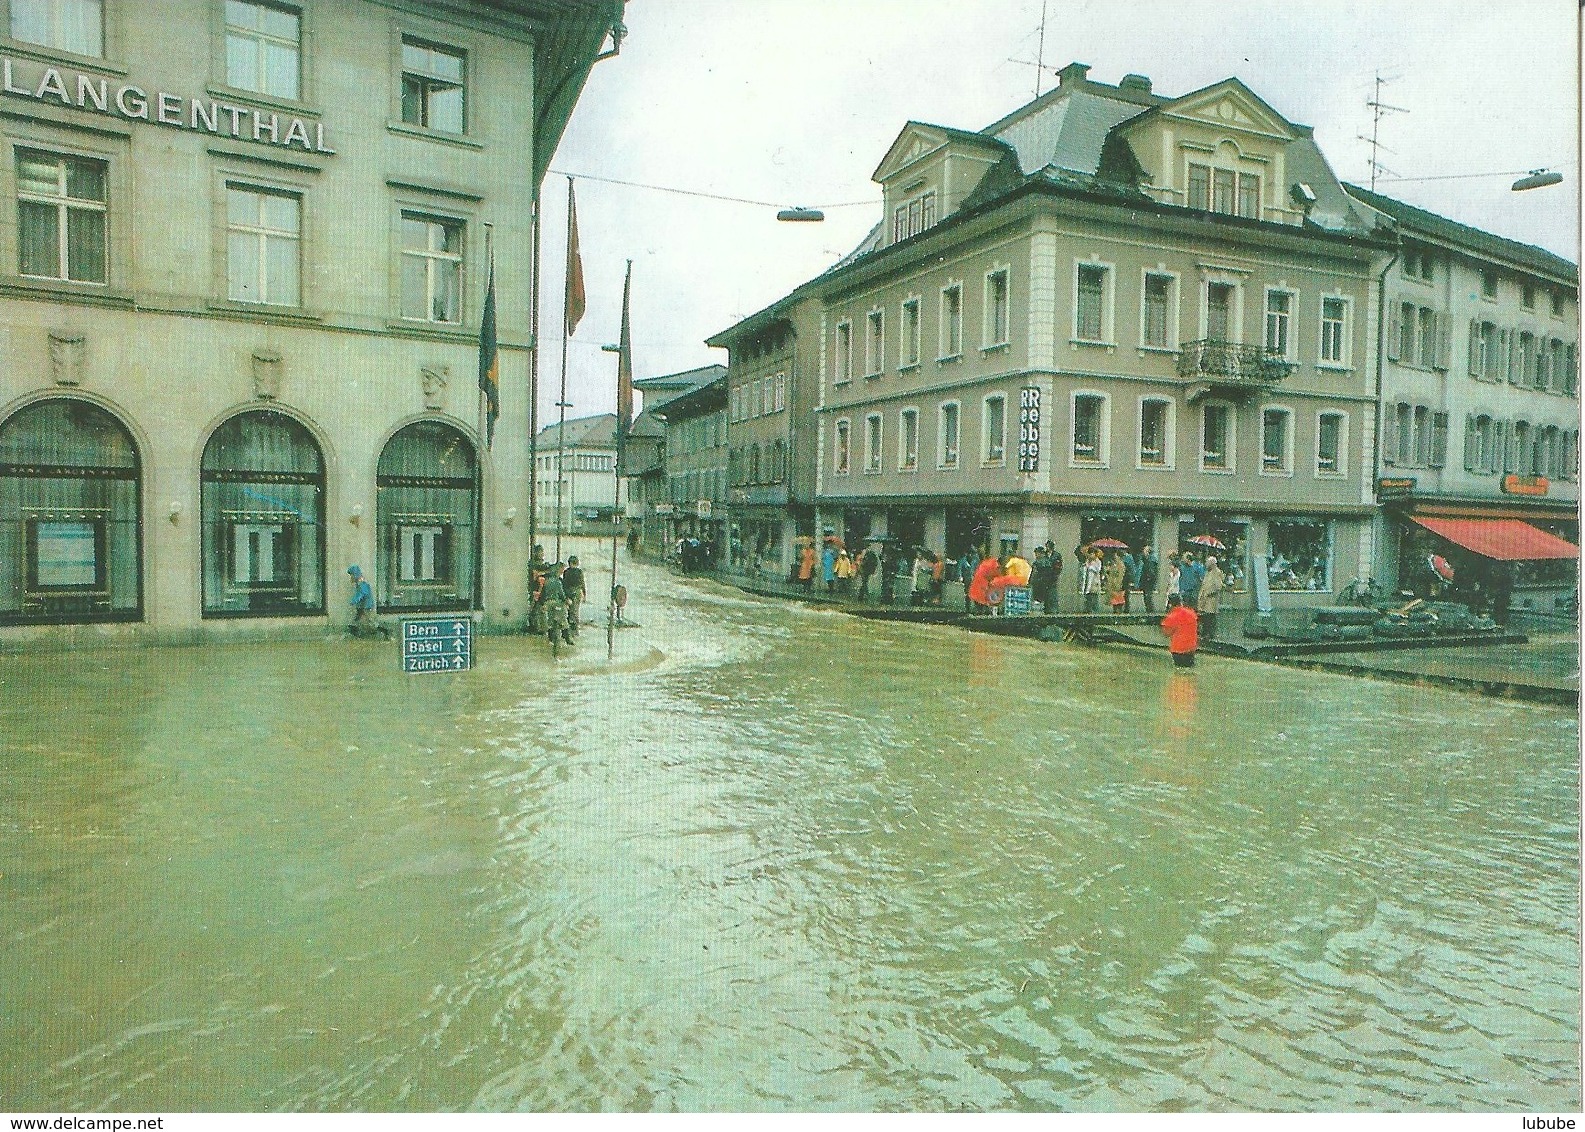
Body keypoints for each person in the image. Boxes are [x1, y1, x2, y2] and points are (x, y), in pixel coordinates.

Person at [346, 564, 387, 638]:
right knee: (357, 620)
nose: (351, 577)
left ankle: (384, 632)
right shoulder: (359, 583)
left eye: (351, 575)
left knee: (370, 621)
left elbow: (362, 593)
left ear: (355, 575)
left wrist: (354, 600)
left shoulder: (362, 584)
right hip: (362, 606)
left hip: (366, 606)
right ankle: (354, 632)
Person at [1160, 593, 1199, 668]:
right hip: (1190, 647)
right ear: (1181, 602)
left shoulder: (1171, 617)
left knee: (1179, 672)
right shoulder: (1191, 613)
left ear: (1170, 604)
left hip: (1178, 649)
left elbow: (1166, 633)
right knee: (1189, 669)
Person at [540, 562, 571, 648]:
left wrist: (543, 604)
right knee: (563, 621)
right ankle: (568, 639)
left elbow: (542, 594)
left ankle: (551, 640)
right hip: (557, 603)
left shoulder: (547, 581)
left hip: (548, 602)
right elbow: (561, 595)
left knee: (550, 622)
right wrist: (566, 601)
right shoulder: (558, 582)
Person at [1197, 555, 1225, 642]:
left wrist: (1209, 593)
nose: (1206, 564)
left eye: (1207, 563)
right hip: (1205, 601)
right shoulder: (1208, 572)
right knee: (1205, 618)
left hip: (1211, 601)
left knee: (1210, 618)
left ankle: (1210, 635)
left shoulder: (1216, 572)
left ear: (1212, 564)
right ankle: (1205, 634)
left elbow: (1219, 586)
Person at [526, 544, 552, 632]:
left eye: (542, 552)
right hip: (535, 588)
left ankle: (540, 627)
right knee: (535, 607)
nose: (541, 554)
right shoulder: (532, 564)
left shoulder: (542, 564)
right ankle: (536, 627)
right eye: (539, 552)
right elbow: (534, 575)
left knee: (540, 608)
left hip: (542, 589)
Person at [562, 555, 587, 637]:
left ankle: (570, 629)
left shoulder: (566, 572)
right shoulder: (579, 572)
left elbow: (564, 584)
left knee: (570, 611)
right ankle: (575, 630)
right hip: (577, 592)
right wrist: (584, 594)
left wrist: (564, 595)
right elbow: (582, 584)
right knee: (575, 611)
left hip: (569, 592)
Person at [1080, 547, 1103, 613]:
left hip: (1094, 583)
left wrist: (1090, 566)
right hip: (1087, 582)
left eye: (1092, 554)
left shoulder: (1098, 561)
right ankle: (1088, 611)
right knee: (1088, 599)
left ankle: (1095, 612)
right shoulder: (1087, 561)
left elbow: (1097, 570)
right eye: (1089, 554)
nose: (1090, 555)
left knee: (1094, 598)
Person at [1139, 545, 1160, 613]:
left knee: (1148, 597)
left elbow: (1151, 572)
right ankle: (1150, 612)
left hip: (1148, 582)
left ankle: (1150, 613)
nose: (1143, 552)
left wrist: (1148, 578)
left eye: (1144, 550)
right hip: (1148, 581)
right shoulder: (1149, 560)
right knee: (1147, 597)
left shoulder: (1150, 561)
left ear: (1148, 552)